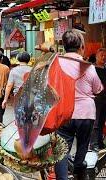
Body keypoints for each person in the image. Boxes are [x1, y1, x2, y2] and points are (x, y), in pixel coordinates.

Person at [54, 30, 103, 179]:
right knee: (83, 145)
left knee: (62, 150)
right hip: (85, 113)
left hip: (64, 112)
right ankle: (78, 172)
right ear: (81, 47)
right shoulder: (89, 67)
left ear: (63, 45)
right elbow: (98, 89)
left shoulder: (56, 64)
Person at [90, 48, 106, 151]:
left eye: (105, 56)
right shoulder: (92, 68)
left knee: (102, 122)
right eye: (102, 55)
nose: (104, 57)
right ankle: (94, 144)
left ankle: (100, 142)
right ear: (96, 56)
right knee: (95, 123)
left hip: (104, 99)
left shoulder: (105, 68)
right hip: (96, 99)